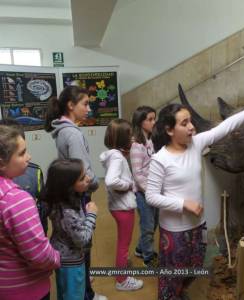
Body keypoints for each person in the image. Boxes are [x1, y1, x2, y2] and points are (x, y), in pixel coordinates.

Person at [146, 88, 244, 300]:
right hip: (174, 232)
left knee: (194, 269)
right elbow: (151, 197)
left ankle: (181, 292)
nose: (192, 127)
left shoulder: (196, 144)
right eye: (184, 123)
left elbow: (228, 125)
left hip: (198, 226)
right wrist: (183, 204)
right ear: (169, 130)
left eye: (190, 121)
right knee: (171, 280)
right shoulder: (160, 160)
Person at [45, 85, 106, 300]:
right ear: (71, 105)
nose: (89, 109)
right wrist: (94, 184)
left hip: (74, 196)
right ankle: (86, 295)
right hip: (79, 197)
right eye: (85, 104)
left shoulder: (64, 131)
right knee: (82, 243)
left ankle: (85, 290)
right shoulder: (72, 133)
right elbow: (84, 173)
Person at [0, 125, 60, 300]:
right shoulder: (17, 200)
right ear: (2, 161)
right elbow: (40, 256)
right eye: (22, 153)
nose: (29, 157)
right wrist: (57, 258)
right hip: (25, 290)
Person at [42, 158, 98, 300]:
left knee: (65, 293)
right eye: (82, 178)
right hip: (72, 262)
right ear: (68, 186)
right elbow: (82, 239)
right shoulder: (68, 212)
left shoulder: (62, 199)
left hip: (63, 257)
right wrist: (91, 215)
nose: (88, 178)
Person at [100, 119, 144, 291]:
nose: (132, 137)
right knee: (124, 245)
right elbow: (111, 181)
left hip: (118, 206)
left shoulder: (114, 154)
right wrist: (128, 185)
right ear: (122, 138)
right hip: (123, 207)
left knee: (122, 243)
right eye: (129, 134)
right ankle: (122, 280)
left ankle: (121, 269)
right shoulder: (117, 158)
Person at [0, 118, 47, 234]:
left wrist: (43, 231)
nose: (28, 157)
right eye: (21, 153)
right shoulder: (15, 198)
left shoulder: (34, 171)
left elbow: (42, 207)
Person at [130, 106, 159, 267]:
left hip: (152, 191)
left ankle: (140, 249)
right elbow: (138, 175)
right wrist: (151, 192)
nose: (153, 122)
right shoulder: (136, 146)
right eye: (150, 119)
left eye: (154, 118)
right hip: (143, 193)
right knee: (147, 226)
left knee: (153, 223)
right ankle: (148, 257)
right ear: (141, 122)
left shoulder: (149, 140)